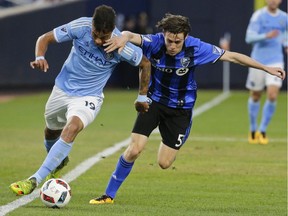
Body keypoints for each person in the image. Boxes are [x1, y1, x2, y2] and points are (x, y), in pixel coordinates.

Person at [89, 13, 286, 204]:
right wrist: (123, 38)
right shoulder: (155, 42)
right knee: (134, 150)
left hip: (181, 109)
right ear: (163, 35)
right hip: (154, 102)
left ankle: (178, 130)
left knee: (164, 163)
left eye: (178, 42)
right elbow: (130, 35)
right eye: (169, 41)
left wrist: (266, 68)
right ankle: (108, 195)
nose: (173, 46)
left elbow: (233, 57)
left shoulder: (197, 48)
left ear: (186, 38)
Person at [9, 4, 151, 196]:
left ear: (112, 30)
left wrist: (142, 96)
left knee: (72, 127)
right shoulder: (80, 27)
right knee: (51, 131)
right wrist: (40, 56)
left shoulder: (121, 45)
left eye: (104, 36)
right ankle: (58, 162)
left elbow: (145, 63)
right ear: (91, 25)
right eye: (96, 34)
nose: (99, 40)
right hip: (61, 90)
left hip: (88, 96)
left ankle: (35, 179)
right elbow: (45, 38)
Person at [245, 0, 287, 145]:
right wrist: (265, 36)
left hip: (276, 61)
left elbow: (285, 34)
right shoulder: (258, 16)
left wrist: (286, 44)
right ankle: (252, 129)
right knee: (256, 95)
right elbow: (249, 38)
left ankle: (262, 130)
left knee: (272, 94)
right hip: (258, 62)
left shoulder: (284, 18)